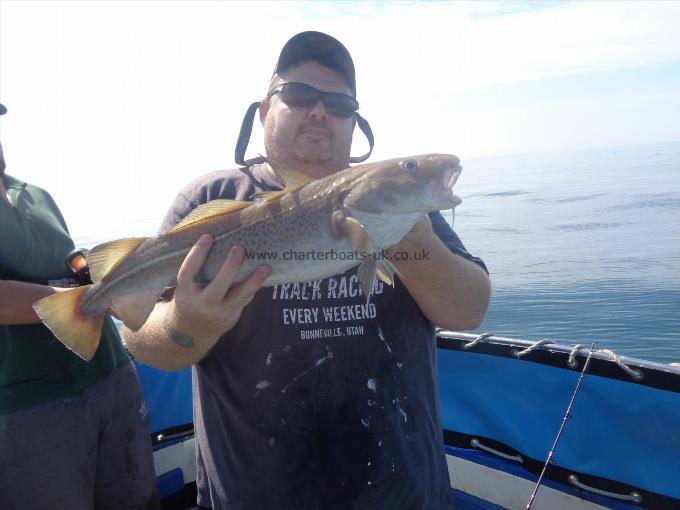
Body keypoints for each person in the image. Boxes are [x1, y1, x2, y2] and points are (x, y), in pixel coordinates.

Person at [125, 31, 491, 509]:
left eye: (340, 105)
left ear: (354, 125)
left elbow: (469, 311)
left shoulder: (411, 212)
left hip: (402, 492)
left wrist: (408, 234)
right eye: (299, 96)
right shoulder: (212, 201)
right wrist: (184, 324)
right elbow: (141, 335)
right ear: (263, 111)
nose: (320, 112)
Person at [0, 102, 159, 510]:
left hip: (111, 371)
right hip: (30, 403)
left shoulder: (34, 194)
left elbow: (67, 260)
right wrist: (82, 301)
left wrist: (96, 269)